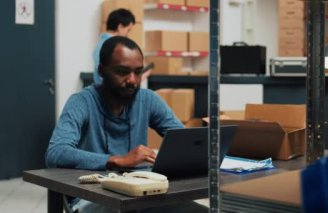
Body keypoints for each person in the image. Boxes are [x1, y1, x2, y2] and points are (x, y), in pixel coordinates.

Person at [45, 36, 207, 212]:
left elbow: (184, 142)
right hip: (93, 196)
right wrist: (116, 160)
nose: (132, 80)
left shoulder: (148, 99)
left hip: (140, 194)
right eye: (122, 72)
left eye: (138, 72)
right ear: (102, 71)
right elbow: (56, 153)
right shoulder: (81, 102)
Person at [93, 8, 136, 84]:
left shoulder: (100, 44)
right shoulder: (113, 47)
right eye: (128, 30)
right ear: (120, 27)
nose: (128, 34)